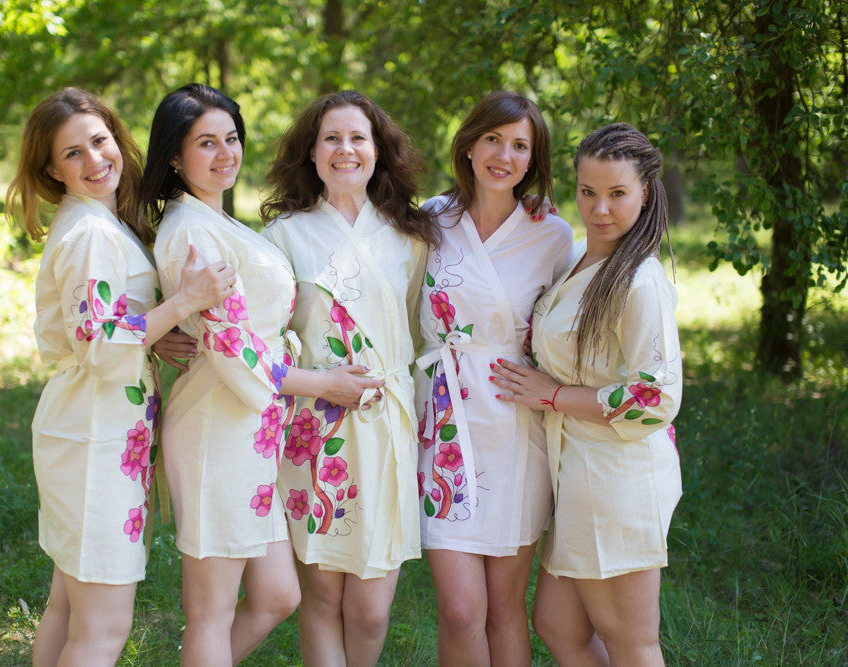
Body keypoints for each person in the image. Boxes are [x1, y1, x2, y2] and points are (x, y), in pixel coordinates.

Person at [137, 83, 382, 666]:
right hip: (217, 428)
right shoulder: (193, 233)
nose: (226, 153)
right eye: (206, 144)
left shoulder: (217, 222)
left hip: (253, 430)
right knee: (212, 611)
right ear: (174, 156)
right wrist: (324, 384)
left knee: (276, 595)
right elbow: (234, 353)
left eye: (232, 139)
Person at [4, 87, 231, 666]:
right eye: (72, 153)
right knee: (103, 629)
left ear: (117, 140)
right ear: (51, 169)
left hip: (95, 432)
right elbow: (103, 346)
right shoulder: (89, 236)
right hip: (94, 442)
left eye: (99, 141)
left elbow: (104, 332)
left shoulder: (98, 224)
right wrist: (184, 302)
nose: (95, 160)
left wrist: (157, 334)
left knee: (70, 609)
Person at [490, 122, 683, 666]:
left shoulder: (639, 282)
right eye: (589, 192)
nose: (600, 208)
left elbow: (654, 399)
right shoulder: (579, 255)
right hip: (576, 474)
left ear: (645, 193)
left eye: (618, 193)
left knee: (631, 642)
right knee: (557, 624)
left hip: (615, 479)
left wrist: (554, 395)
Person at [259, 90, 439, 666]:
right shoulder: (283, 236)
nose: (345, 149)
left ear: (378, 150)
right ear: (310, 153)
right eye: (331, 138)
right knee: (322, 593)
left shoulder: (410, 235)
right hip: (315, 427)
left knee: (369, 608)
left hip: (386, 424)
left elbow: (413, 322)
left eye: (358, 137)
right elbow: (260, 339)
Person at [411, 91, 574, 666]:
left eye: (520, 145)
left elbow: (577, 320)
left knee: (504, 609)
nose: (504, 155)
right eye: (493, 139)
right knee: (460, 610)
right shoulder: (428, 221)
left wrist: (563, 392)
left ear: (534, 159)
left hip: (514, 423)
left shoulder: (551, 235)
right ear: (469, 144)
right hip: (445, 421)